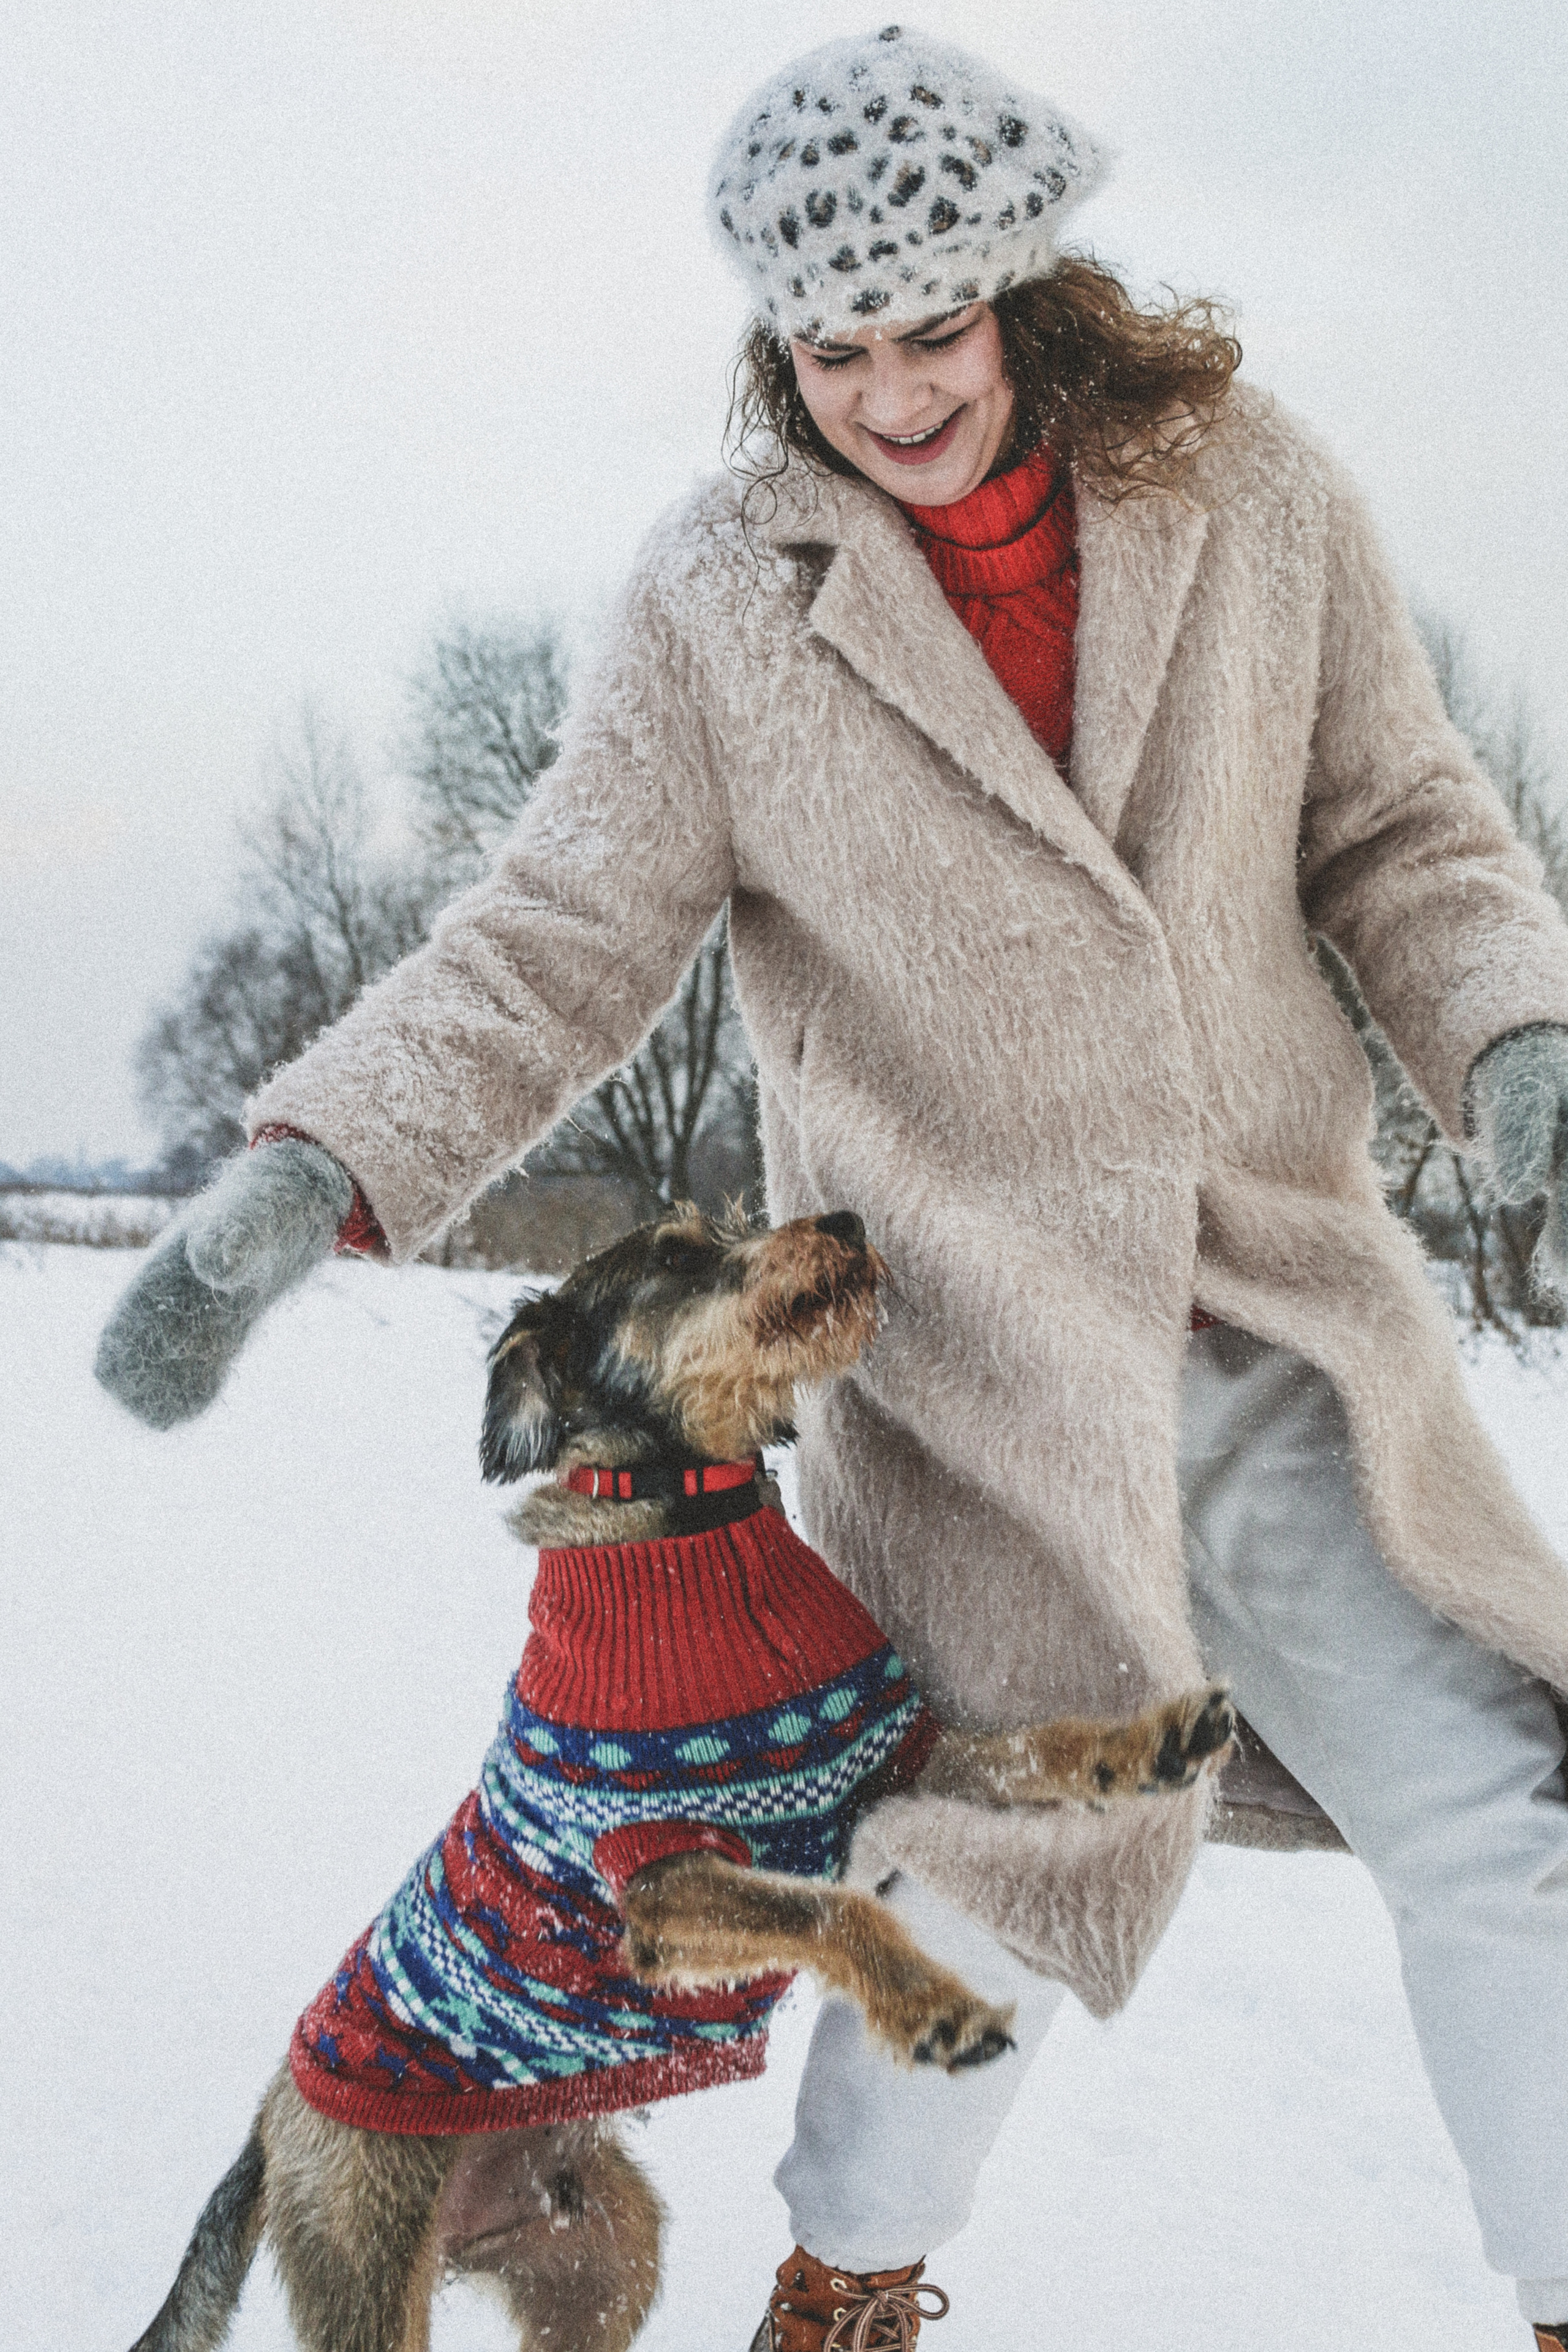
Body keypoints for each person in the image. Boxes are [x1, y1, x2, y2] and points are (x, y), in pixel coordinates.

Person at [97, 26, 1568, 2349]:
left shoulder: (1254, 492)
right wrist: (316, 1167)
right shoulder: (723, 599)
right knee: (984, 1866)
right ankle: (845, 2290)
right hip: (967, 1376)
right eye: (831, 347)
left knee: (1494, 1813)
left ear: (1028, 291)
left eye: (930, 328)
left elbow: (1404, 825)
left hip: (1271, 1331)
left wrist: (1513, 1035)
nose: (889, 393)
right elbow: (554, 939)